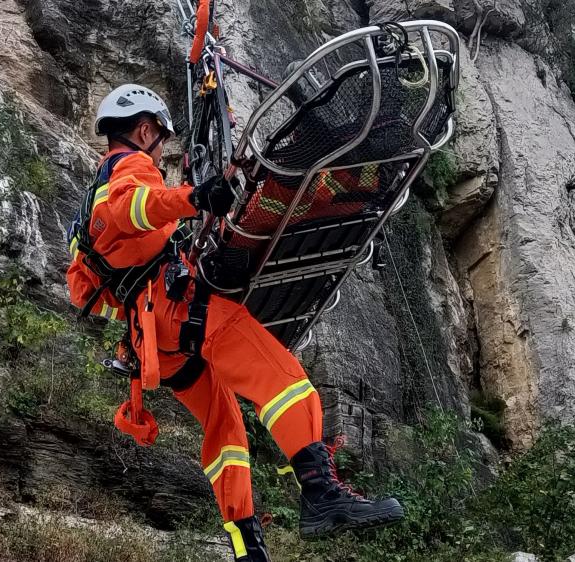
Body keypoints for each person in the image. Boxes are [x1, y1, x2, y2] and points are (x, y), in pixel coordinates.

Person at [66, 84, 403, 562]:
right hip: (180, 309)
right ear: (143, 131)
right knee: (285, 380)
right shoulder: (130, 167)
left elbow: (88, 288)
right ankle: (321, 495)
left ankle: (248, 549)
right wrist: (196, 197)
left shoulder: (87, 212)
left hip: (154, 343)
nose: (160, 151)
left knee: (227, 431)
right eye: (159, 139)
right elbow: (134, 207)